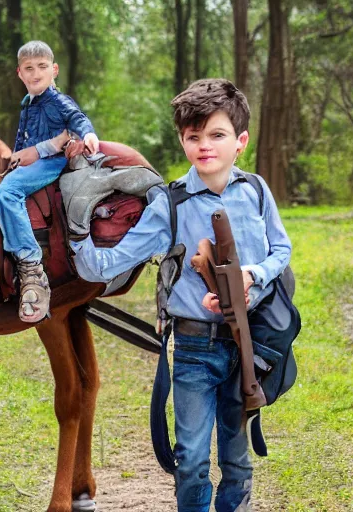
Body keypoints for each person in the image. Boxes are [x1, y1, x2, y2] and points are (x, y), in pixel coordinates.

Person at [70, 78, 291, 511]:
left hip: (250, 345)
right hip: (194, 347)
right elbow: (115, 259)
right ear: (182, 140)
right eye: (194, 137)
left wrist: (253, 276)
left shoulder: (258, 191)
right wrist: (76, 241)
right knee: (190, 458)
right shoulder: (169, 204)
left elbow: (281, 250)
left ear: (240, 141)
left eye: (217, 135)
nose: (205, 145)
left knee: (237, 459)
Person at [0, 40, 99, 323]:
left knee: (9, 191)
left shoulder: (58, 101)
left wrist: (88, 135)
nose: (35, 73)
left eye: (42, 67)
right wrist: (16, 157)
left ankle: (30, 263)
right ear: (20, 73)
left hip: (52, 161)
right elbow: (23, 138)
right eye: (29, 68)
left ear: (54, 69)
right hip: (34, 160)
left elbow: (76, 119)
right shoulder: (28, 103)